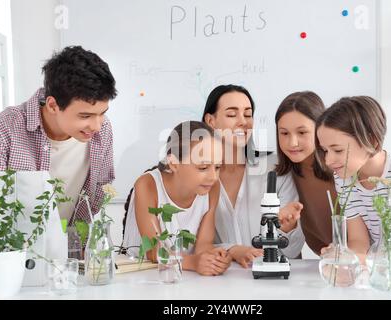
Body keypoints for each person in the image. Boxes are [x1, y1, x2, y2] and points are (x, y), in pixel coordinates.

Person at [0, 46, 117, 224]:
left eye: (102, 113)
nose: (96, 125)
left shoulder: (103, 129)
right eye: (85, 116)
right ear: (52, 105)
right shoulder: (1, 130)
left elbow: (100, 188)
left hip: (73, 247)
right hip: (14, 250)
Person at [316, 95, 391, 278]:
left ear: (371, 141)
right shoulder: (343, 176)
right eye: (325, 150)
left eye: (338, 150)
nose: (328, 160)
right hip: (380, 273)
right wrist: (344, 257)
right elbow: (359, 241)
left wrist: (358, 262)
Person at [202, 84, 304, 268]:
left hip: (274, 282)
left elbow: (292, 252)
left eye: (248, 115)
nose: (243, 122)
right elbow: (192, 243)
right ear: (210, 121)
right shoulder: (197, 177)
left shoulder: (277, 169)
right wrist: (233, 250)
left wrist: (288, 230)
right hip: (219, 280)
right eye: (232, 115)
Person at [122, 121, 232, 276]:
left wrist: (217, 259)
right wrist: (194, 262)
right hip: (141, 276)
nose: (213, 177)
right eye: (203, 168)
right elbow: (154, 250)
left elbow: (203, 245)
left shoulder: (212, 188)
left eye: (218, 167)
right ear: (173, 163)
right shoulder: (147, 185)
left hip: (184, 275)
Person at [275, 91, 338, 256]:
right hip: (325, 261)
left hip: (359, 261)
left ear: (320, 130)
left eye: (302, 132)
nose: (292, 143)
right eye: (284, 133)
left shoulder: (340, 167)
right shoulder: (286, 175)